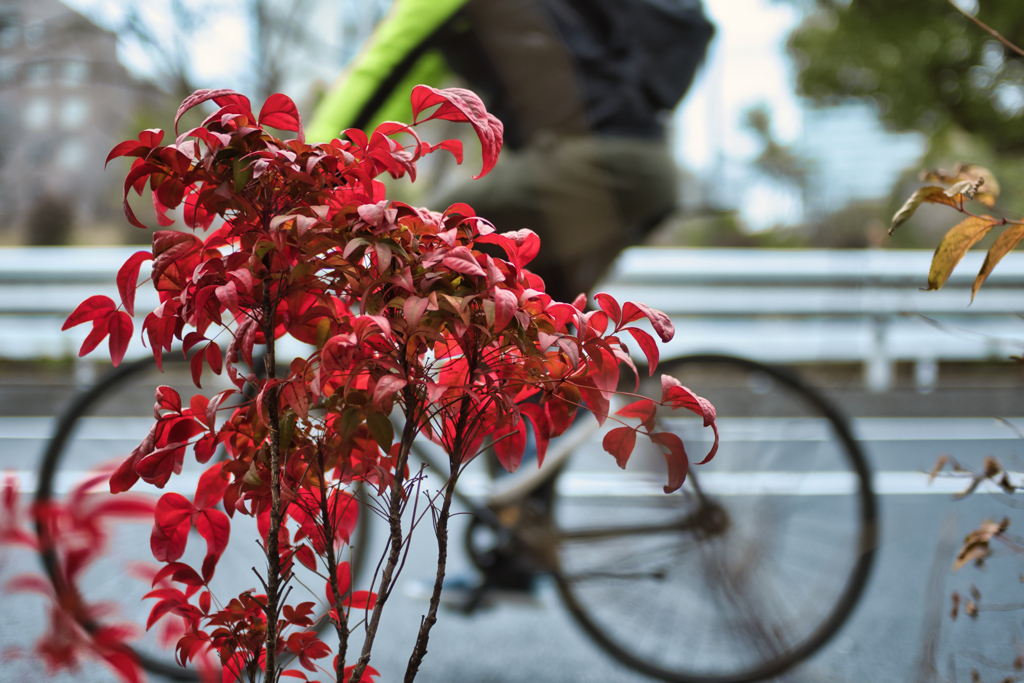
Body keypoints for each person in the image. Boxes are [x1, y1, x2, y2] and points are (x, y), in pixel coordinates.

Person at [306, 0, 714, 305]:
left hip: (590, 165)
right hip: (649, 172)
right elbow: (410, 88)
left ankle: (357, 389)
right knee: (522, 329)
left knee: (423, 235)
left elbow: (381, 73)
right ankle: (521, 416)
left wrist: (315, 170)